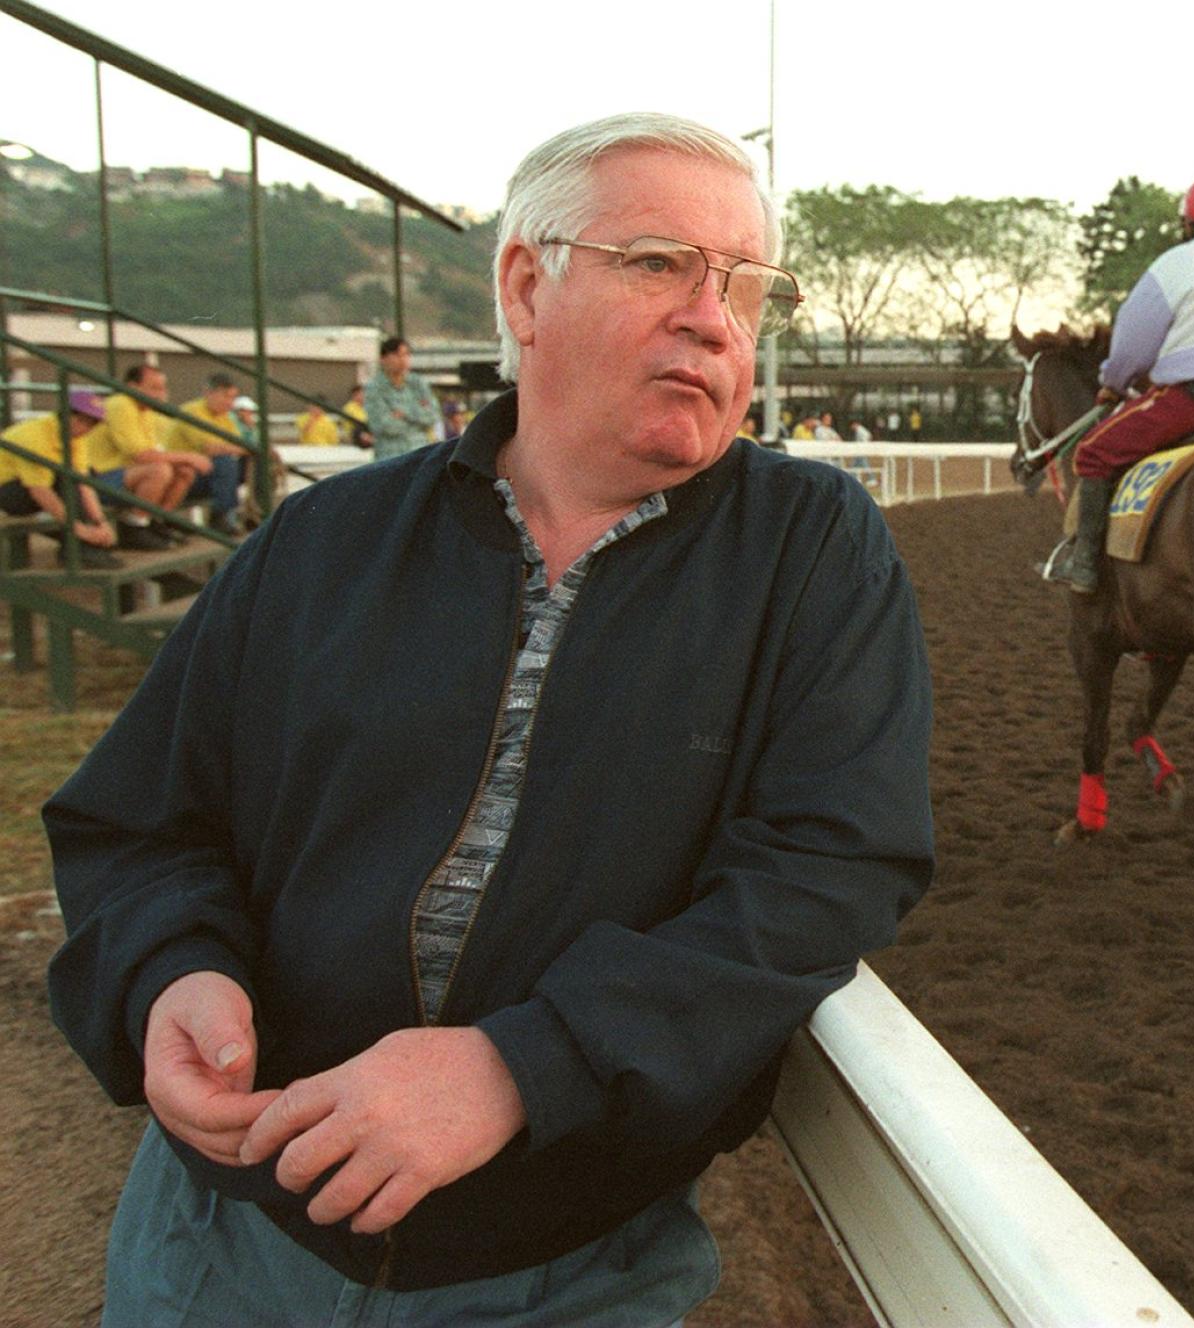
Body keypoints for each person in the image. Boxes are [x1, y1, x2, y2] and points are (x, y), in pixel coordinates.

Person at [45, 110, 930, 1327]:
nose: (712, 314)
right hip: (223, 1241)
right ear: (526, 284)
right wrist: (170, 971)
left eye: (746, 286)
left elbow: (830, 863)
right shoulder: (323, 540)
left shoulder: (812, 548)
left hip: (564, 1266)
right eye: (660, 260)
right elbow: (142, 818)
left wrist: (522, 1067)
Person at [1051, 159, 1194, 592]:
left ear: (1186, 223)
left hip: (1191, 401)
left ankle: (1084, 565)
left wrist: (1114, 381)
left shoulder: (1174, 265)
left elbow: (1132, 339)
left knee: (1094, 453)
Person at [1, 390, 122, 568]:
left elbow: (84, 484)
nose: (88, 428)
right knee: (65, 477)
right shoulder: (35, 436)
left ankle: (85, 548)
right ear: (68, 415)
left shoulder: (75, 437)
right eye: (84, 421)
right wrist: (80, 530)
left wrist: (100, 522)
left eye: (93, 423)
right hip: (8, 493)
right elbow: (39, 491)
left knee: (74, 477)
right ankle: (77, 550)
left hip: (38, 486)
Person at [91, 363, 203, 549]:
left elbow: (153, 451)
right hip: (96, 477)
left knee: (184, 470)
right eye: (154, 388)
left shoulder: (145, 411)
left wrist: (186, 460)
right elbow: (141, 455)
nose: (160, 394)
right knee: (159, 471)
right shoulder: (120, 405)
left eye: (163, 388)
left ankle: (153, 521)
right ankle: (134, 527)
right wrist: (189, 456)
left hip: (124, 474)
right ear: (133, 387)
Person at [165, 372, 251, 536]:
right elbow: (210, 448)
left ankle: (255, 513)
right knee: (225, 462)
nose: (230, 403)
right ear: (208, 393)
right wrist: (238, 448)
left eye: (233, 398)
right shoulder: (191, 411)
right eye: (226, 396)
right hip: (181, 476)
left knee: (253, 460)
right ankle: (220, 517)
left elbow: (239, 444)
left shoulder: (224, 416)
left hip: (205, 473)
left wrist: (241, 448)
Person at [363, 336, 442, 460]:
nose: (402, 359)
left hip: (419, 454)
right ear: (383, 358)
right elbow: (382, 425)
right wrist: (418, 421)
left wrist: (404, 413)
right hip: (390, 457)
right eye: (397, 355)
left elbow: (432, 416)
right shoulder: (374, 388)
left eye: (406, 355)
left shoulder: (418, 383)